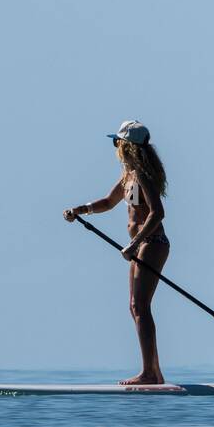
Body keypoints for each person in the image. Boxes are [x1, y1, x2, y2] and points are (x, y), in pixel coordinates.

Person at [63, 121, 170, 385]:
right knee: (135, 307)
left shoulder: (143, 175)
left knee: (140, 306)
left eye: (116, 143)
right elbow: (108, 202)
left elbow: (158, 212)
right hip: (139, 246)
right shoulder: (129, 176)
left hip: (152, 243)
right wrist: (80, 209)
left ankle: (149, 374)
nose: (115, 149)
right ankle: (154, 373)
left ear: (126, 146)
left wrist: (134, 245)